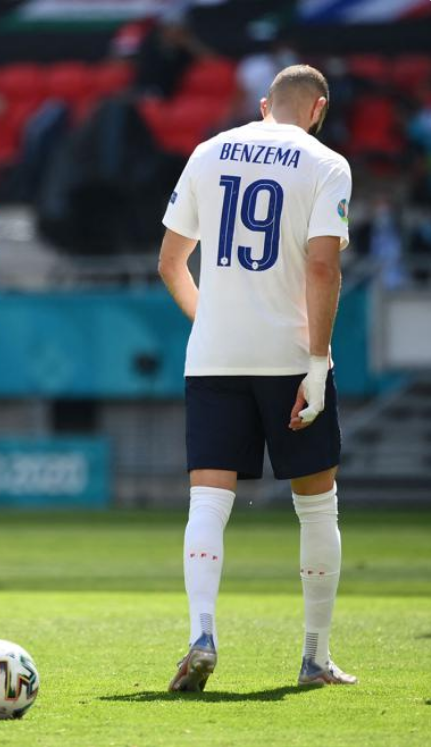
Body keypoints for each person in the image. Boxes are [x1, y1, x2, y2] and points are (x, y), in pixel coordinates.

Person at [158, 64, 356, 692]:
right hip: (290, 357)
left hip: (214, 357)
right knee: (316, 505)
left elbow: (170, 263)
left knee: (208, 502)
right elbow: (322, 268)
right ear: (317, 109)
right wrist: (318, 363)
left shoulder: (208, 151)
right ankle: (315, 657)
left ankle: (202, 633)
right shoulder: (327, 164)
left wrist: (212, 321)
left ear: (265, 103)